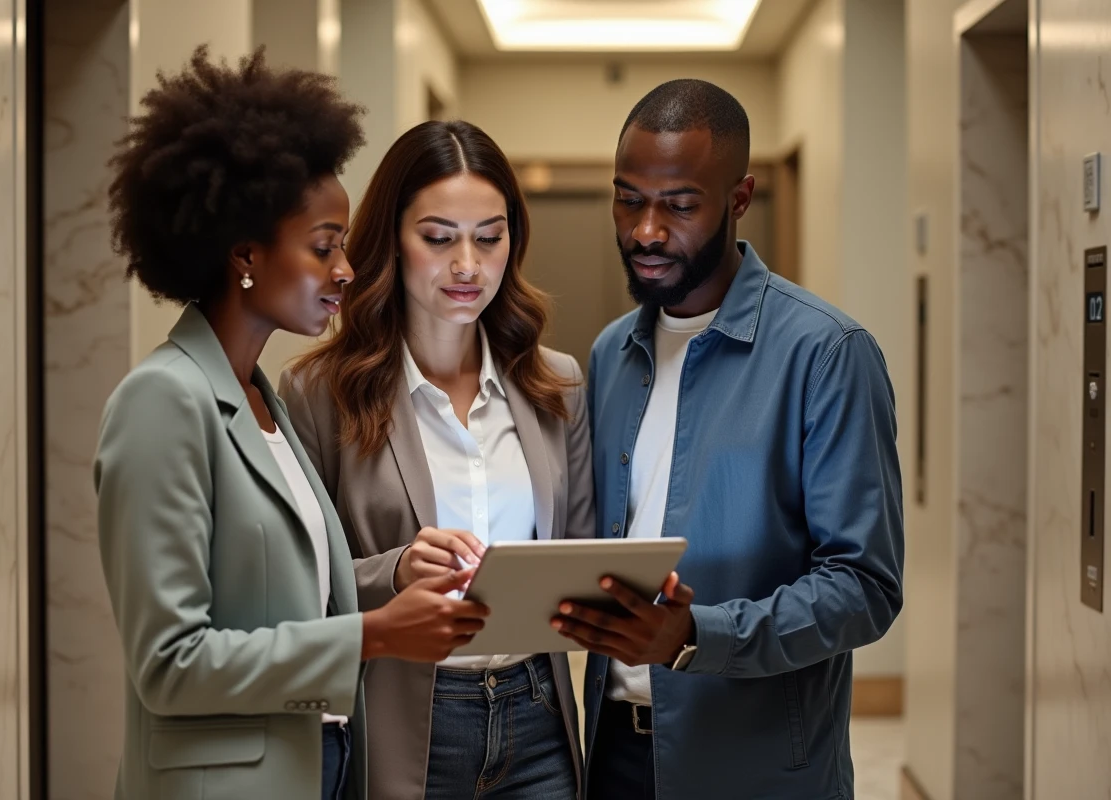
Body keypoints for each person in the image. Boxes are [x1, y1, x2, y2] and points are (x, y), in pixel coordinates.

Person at [95, 47, 488, 800]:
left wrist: (399, 577)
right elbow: (169, 664)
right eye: (323, 247)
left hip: (321, 768)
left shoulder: (263, 398)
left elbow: (295, 607)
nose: (346, 268)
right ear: (245, 255)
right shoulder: (164, 401)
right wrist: (376, 636)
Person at [552, 79, 905, 799]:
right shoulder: (610, 353)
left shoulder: (827, 353)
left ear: (739, 200)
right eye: (628, 199)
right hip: (614, 752)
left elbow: (865, 587)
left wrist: (694, 636)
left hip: (759, 767)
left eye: (679, 205)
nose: (646, 230)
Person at [280, 119, 594, 800]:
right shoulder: (319, 393)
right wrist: (394, 571)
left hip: (538, 714)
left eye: (489, 237)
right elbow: (296, 589)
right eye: (439, 237)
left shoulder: (557, 385)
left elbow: (580, 552)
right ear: (392, 237)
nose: (467, 266)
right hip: (406, 719)